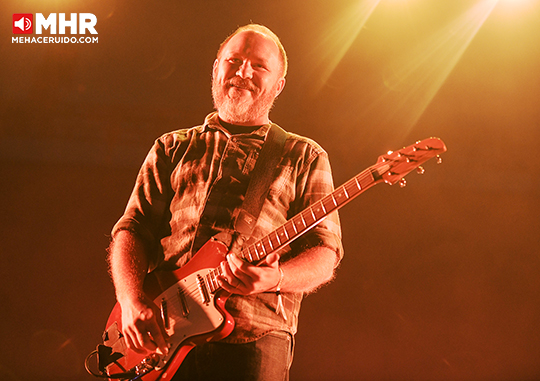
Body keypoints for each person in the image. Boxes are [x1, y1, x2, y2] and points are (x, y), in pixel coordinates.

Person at [107, 24, 343, 381]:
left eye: (259, 66)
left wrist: (274, 278)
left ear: (278, 85)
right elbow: (132, 229)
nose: (243, 72)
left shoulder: (304, 155)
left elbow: (326, 253)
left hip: (255, 336)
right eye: (233, 61)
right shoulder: (171, 147)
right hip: (161, 336)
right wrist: (130, 301)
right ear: (216, 70)